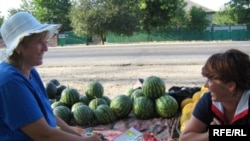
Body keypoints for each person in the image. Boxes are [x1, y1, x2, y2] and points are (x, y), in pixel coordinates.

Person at [0, 12, 102, 141]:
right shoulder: (10, 82)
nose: (46, 48)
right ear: (19, 47)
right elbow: (43, 135)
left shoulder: (29, 70)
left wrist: (79, 136)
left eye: (45, 41)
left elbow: (48, 115)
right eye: (39, 42)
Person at [179, 49, 250, 141]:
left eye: (210, 80)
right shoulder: (208, 101)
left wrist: (223, 133)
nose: (205, 85)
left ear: (231, 86)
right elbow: (185, 138)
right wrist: (210, 135)